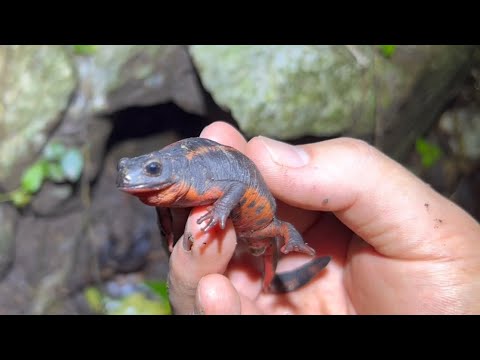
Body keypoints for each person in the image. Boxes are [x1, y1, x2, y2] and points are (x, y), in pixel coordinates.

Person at [167, 121, 480, 314]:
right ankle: (269, 281)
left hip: (262, 226)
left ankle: (275, 271)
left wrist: (296, 243)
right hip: (243, 236)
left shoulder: (257, 215)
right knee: (220, 272)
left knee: (278, 237)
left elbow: (274, 220)